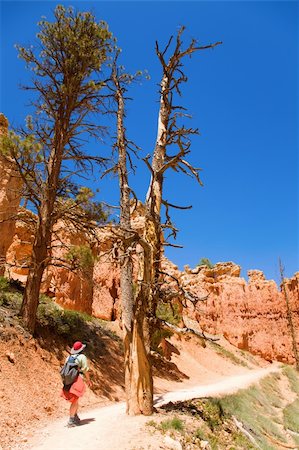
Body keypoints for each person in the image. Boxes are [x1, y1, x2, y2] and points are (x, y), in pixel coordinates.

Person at [61, 341, 92, 427]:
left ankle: (75, 416)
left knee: (76, 399)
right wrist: (88, 380)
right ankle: (71, 420)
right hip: (77, 379)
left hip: (68, 381)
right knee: (75, 400)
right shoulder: (82, 357)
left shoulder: (68, 357)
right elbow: (85, 369)